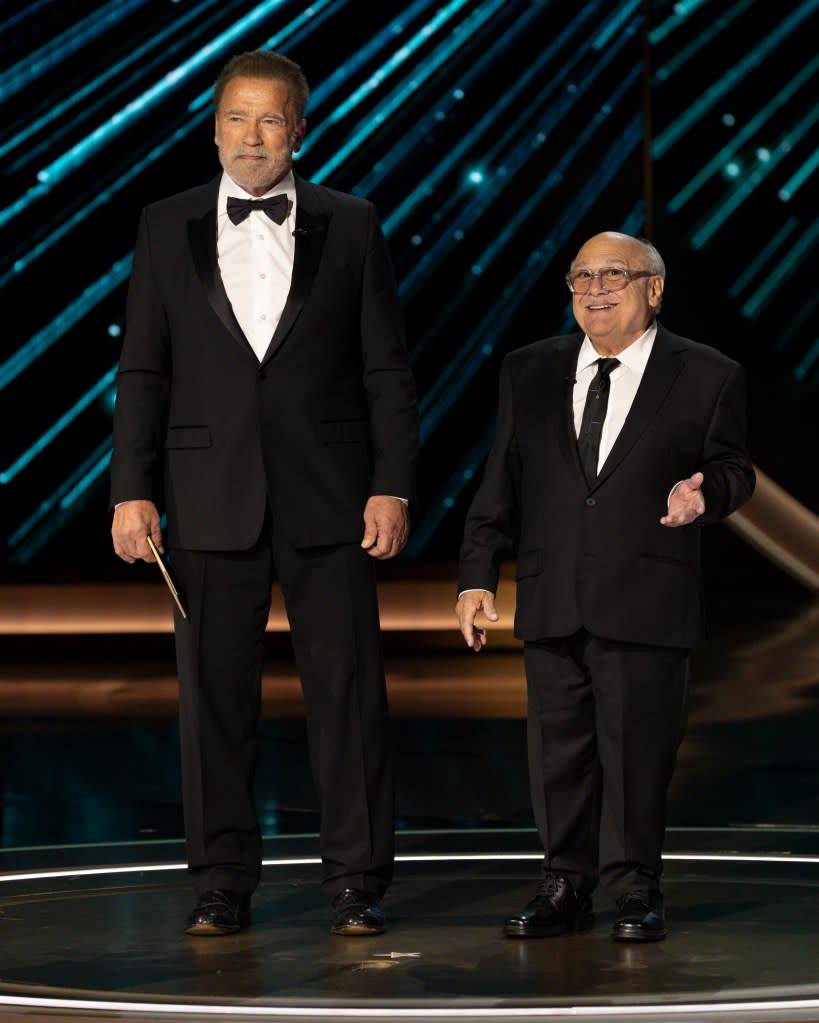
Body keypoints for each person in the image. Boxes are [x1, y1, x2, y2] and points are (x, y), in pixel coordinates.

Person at [110, 50, 418, 938]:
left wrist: (390, 484)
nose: (252, 137)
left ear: (300, 130)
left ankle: (356, 882)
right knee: (212, 702)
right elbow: (142, 369)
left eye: (270, 120)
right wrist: (132, 490)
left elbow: (386, 372)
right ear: (213, 128)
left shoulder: (352, 223)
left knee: (349, 697)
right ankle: (220, 883)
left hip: (331, 496)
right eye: (237, 119)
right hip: (206, 495)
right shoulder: (163, 224)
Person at [456, 232, 754, 942]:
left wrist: (703, 493)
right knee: (556, 753)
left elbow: (735, 469)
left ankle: (634, 888)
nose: (593, 289)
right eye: (580, 275)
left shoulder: (707, 373)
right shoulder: (528, 369)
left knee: (635, 752)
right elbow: (499, 481)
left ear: (653, 288)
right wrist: (476, 575)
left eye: (612, 274)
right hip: (552, 592)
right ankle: (563, 884)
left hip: (647, 596)